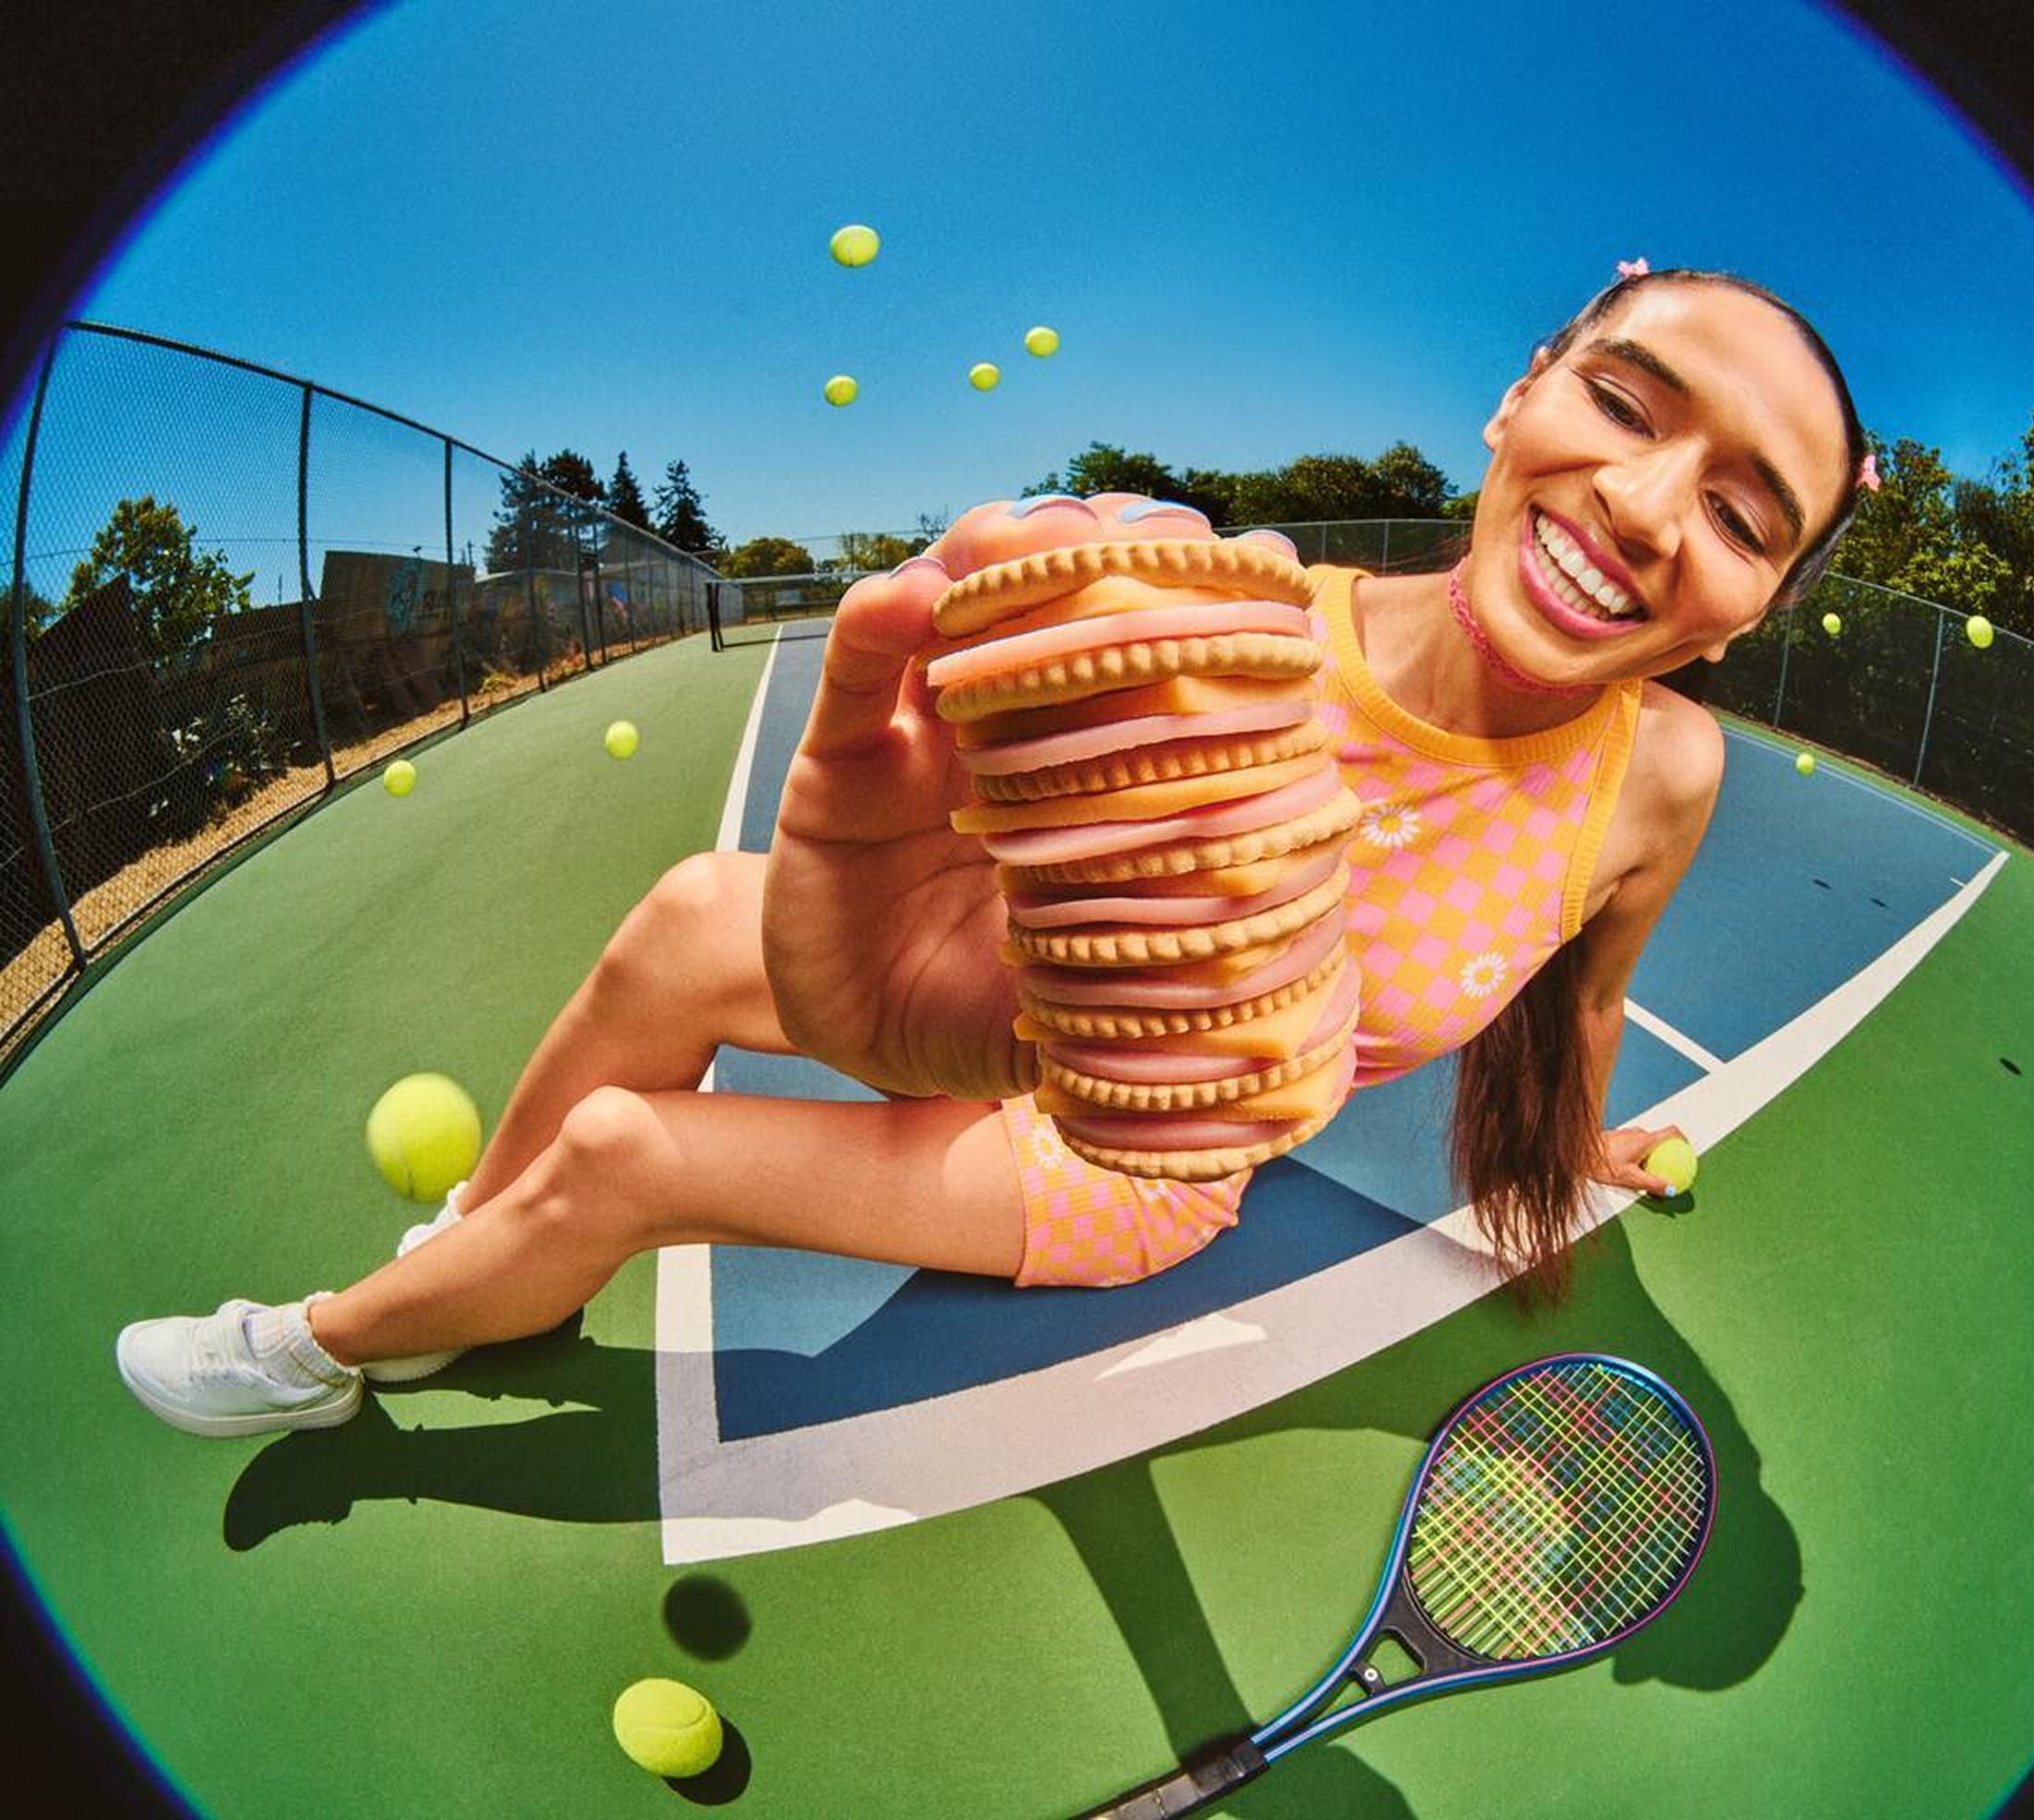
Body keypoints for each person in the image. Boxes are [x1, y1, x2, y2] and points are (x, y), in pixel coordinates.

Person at [115, 263, 1869, 1437]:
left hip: (1141, 1167)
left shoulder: (1664, 776)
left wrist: (1592, 1128)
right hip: (1023, 1016)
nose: (1647, 509)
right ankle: (473, 1256)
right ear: (1521, 400)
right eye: (1629, 407)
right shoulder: (1221, 635)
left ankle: (324, 1347)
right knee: (679, 920)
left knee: (626, 1147)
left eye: (1737, 515)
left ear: (1749, 613)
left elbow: (1582, 990)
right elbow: (978, 877)